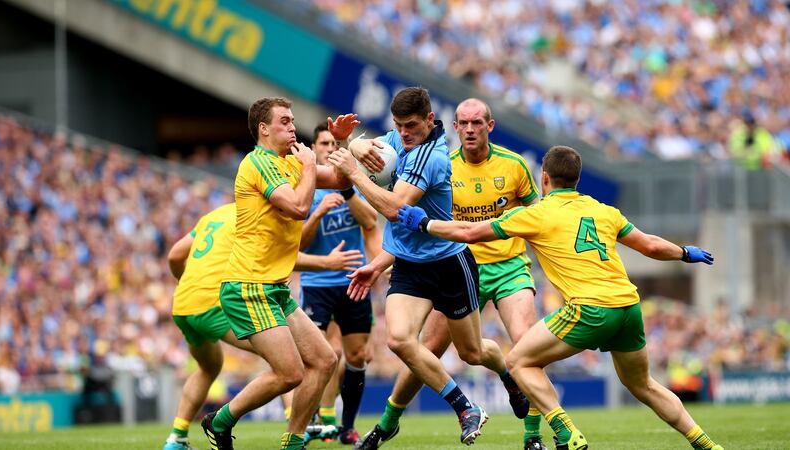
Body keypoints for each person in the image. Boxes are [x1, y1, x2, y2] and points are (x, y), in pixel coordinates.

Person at [397, 145, 723, 450]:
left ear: (544, 178)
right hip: (628, 307)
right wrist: (684, 253)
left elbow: (469, 233)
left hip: (590, 309)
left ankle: (566, 432)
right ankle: (707, 444)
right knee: (644, 386)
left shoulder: (537, 214)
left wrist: (424, 223)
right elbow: (650, 245)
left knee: (517, 361)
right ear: (577, 178)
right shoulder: (603, 210)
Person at [327, 87, 527, 446]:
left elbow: (394, 209)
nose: (404, 134)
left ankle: (506, 372)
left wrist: (355, 173)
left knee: (472, 352)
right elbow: (368, 145)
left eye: (412, 126)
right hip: (409, 266)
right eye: (399, 126)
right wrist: (351, 144)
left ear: (430, 122)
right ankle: (466, 408)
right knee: (399, 340)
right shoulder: (399, 139)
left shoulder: (431, 156)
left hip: (450, 263)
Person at [201, 96, 363, 450]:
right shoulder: (258, 163)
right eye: (285, 122)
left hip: (273, 288)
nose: (293, 127)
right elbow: (298, 207)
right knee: (290, 373)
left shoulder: (290, 161)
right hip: (248, 286)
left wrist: (341, 143)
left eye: (292, 121)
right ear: (264, 128)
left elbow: (340, 178)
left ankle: (293, 441)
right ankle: (221, 420)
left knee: (324, 360)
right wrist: (308, 166)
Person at [163, 202, 365, 450]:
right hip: (215, 303)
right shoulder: (257, 215)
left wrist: (188, 284)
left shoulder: (215, 215)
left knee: (209, 367)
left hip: (184, 304)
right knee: (286, 356)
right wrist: (327, 263)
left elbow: (175, 255)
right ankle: (294, 422)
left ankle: (176, 439)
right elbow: (280, 258)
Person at [298, 123, 378, 444]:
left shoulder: (352, 184)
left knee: (357, 355)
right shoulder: (305, 188)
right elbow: (299, 247)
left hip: (352, 280)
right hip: (316, 282)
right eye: (324, 144)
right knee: (319, 354)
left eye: (334, 143)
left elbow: (371, 221)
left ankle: (347, 426)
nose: (330, 149)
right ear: (314, 149)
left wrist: (345, 195)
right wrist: (317, 213)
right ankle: (318, 420)